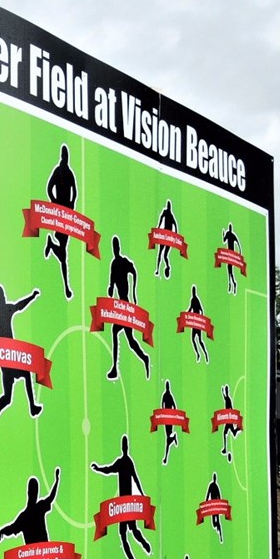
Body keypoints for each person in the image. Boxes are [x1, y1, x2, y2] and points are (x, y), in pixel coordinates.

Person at [0, 285, 43, 440]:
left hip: (8, 357)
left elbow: (19, 306)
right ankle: (32, 407)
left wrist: (32, 296)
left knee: (7, 397)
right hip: (7, 357)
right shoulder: (1, 311)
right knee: (25, 375)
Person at [90, 435, 153, 559]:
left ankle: (144, 546)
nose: (125, 447)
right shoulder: (124, 462)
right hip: (122, 505)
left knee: (131, 531)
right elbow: (109, 470)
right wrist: (98, 469)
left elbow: (135, 478)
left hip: (126, 504)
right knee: (125, 534)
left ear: (125, 447)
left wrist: (142, 494)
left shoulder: (126, 462)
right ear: (125, 447)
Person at [105, 235, 150, 380]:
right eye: (113, 246)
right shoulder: (114, 263)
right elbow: (111, 281)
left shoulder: (123, 262)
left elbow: (134, 271)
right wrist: (110, 288)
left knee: (122, 336)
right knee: (127, 339)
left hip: (126, 304)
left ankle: (117, 367)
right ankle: (141, 359)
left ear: (118, 247)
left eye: (116, 246)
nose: (115, 249)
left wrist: (134, 292)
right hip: (120, 305)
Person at [43, 144, 78, 300]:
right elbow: (49, 188)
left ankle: (51, 245)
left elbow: (75, 193)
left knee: (64, 252)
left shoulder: (68, 173)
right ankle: (67, 287)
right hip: (59, 214)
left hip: (65, 214)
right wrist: (55, 202)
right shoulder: (59, 171)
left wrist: (70, 205)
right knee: (64, 253)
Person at [158, 380, 180, 465]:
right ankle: (173, 437)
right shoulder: (168, 395)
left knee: (167, 437)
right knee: (167, 436)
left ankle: (165, 457)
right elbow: (173, 406)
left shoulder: (168, 396)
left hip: (169, 418)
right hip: (168, 417)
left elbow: (164, 406)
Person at [187, 284, 210, 365]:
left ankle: (205, 354)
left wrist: (201, 320)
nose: (193, 292)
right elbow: (190, 308)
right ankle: (198, 354)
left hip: (197, 323)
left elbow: (201, 309)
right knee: (193, 339)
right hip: (194, 323)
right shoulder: (192, 299)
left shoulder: (196, 299)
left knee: (200, 341)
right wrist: (187, 314)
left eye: (193, 291)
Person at [153, 199, 176, 278]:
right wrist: (158, 226)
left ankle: (167, 266)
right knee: (160, 253)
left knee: (165, 255)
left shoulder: (170, 214)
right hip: (165, 235)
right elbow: (161, 218)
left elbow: (175, 224)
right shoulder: (165, 212)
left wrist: (175, 234)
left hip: (168, 236)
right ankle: (157, 269)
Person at [219, 384, 240, 463]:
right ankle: (237, 430)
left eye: (226, 391)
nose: (226, 392)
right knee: (230, 433)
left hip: (229, 420)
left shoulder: (229, 399)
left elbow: (231, 408)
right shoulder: (227, 398)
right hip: (228, 419)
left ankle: (225, 448)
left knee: (225, 433)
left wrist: (232, 417)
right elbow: (224, 397)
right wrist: (222, 391)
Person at [204, 471, 225, 544]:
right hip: (212, 504)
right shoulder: (212, 485)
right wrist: (206, 501)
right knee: (214, 522)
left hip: (215, 504)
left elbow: (219, 496)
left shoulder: (216, 486)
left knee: (217, 519)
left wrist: (220, 505)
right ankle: (218, 527)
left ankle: (220, 533)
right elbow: (208, 493)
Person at [221, 222, 240, 295]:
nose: (230, 228)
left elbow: (238, 243)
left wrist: (240, 252)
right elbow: (224, 241)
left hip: (231, 255)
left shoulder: (231, 234)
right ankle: (231, 283)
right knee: (229, 269)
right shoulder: (228, 234)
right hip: (229, 254)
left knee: (229, 269)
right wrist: (223, 235)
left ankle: (232, 283)